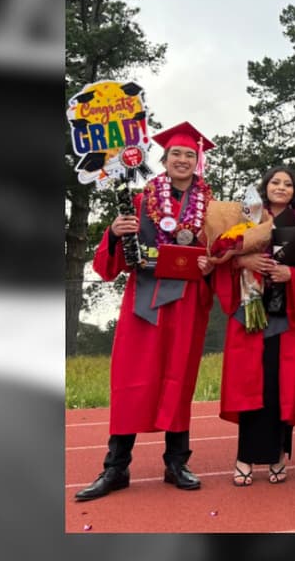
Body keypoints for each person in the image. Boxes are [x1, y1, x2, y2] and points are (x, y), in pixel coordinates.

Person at [74, 121, 217, 500]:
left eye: (190, 154)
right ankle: (116, 468)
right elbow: (109, 266)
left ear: (197, 162)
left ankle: (176, 462)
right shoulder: (138, 201)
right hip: (144, 303)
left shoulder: (212, 209)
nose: (183, 160)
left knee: (179, 379)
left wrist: (211, 263)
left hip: (186, 303)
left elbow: (220, 256)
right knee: (131, 382)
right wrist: (115, 232)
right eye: (176, 154)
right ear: (164, 159)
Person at [214, 167, 295, 486]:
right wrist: (244, 261)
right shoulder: (247, 217)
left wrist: (293, 275)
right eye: (275, 182)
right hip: (250, 310)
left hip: (285, 315)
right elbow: (223, 258)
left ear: (294, 191)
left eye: (288, 184)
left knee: (278, 386)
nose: (281, 187)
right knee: (250, 384)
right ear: (266, 186)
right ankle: (245, 455)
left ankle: (278, 456)